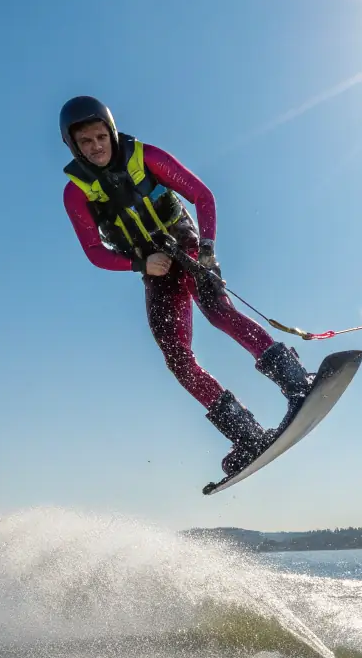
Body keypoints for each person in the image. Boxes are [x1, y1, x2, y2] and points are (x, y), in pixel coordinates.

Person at [59, 96, 314, 474]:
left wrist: (207, 250)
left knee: (219, 313)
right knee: (176, 358)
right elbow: (94, 251)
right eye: (86, 142)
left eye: (101, 137)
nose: (97, 147)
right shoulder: (76, 192)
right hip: (155, 269)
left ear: (111, 132)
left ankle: (295, 381)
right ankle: (246, 433)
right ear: (73, 146)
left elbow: (202, 196)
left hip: (189, 249)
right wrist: (140, 263)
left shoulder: (146, 157)